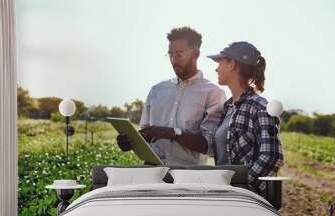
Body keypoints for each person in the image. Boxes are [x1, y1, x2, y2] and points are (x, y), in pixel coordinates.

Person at [117, 27, 226, 165]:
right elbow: (145, 134)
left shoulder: (213, 93)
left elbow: (210, 146)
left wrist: (172, 133)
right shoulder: (157, 90)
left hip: (187, 177)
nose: (174, 60)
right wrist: (131, 141)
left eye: (179, 54)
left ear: (196, 54)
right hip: (151, 173)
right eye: (170, 55)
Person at [207, 41, 284, 196]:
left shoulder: (259, 107)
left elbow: (272, 156)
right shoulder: (227, 108)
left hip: (244, 199)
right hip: (225, 195)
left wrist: (242, 187)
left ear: (231, 64)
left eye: (219, 63)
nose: (216, 68)